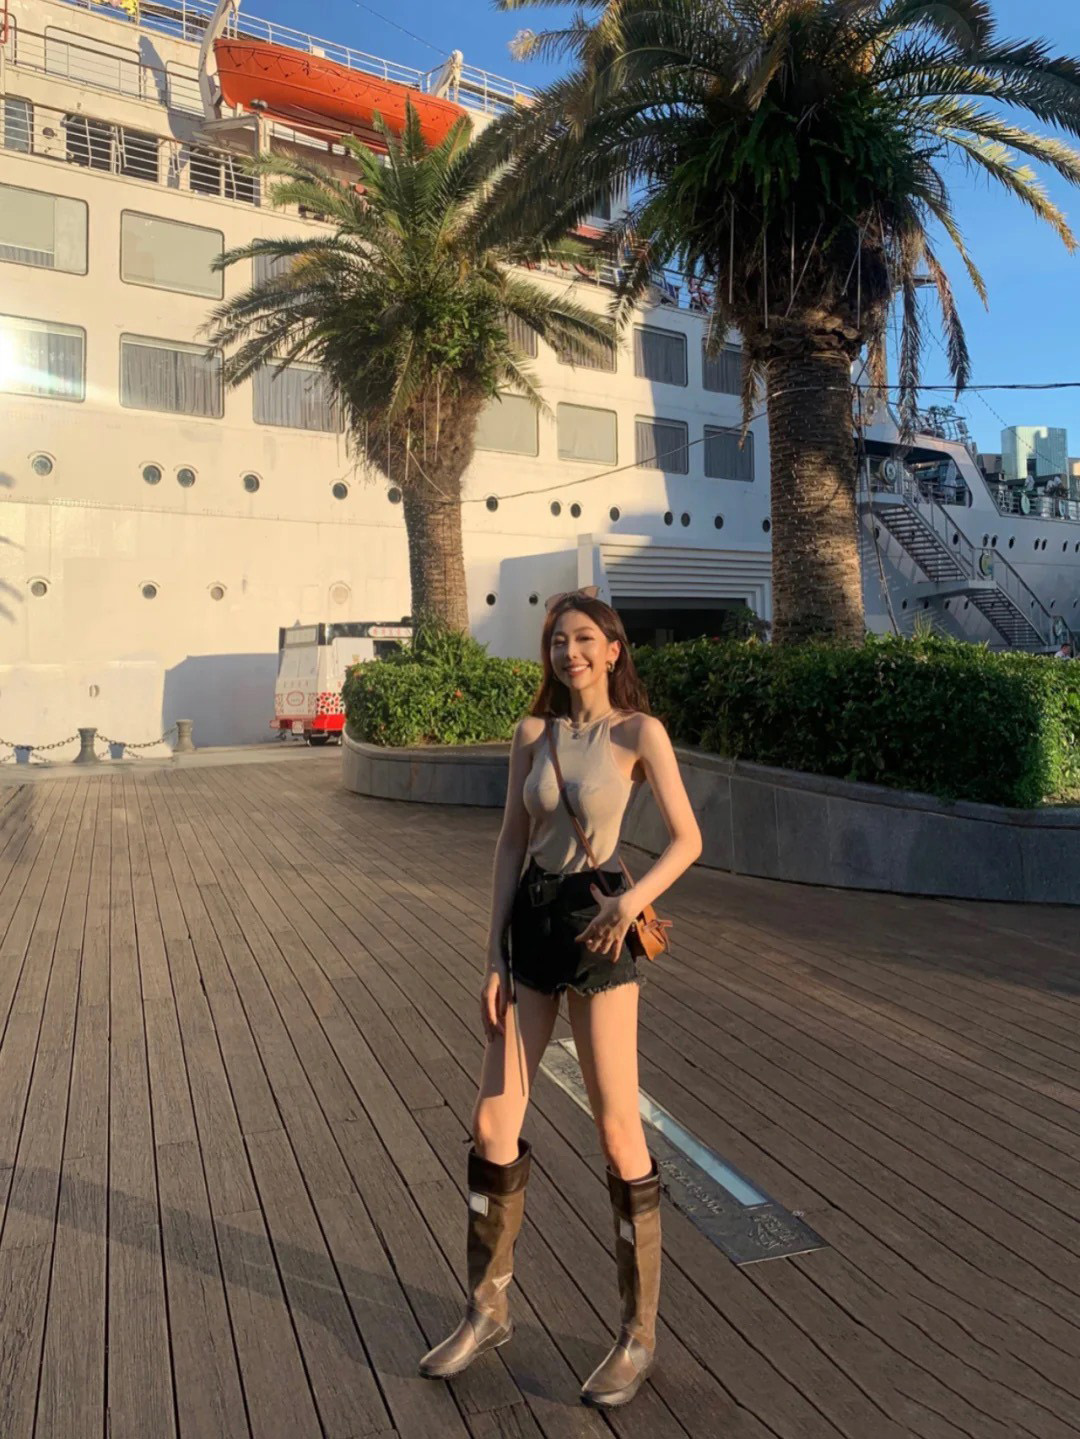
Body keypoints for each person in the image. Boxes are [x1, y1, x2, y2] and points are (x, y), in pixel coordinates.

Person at [418, 588, 702, 1408]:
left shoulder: (639, 733)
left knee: (617, 1131)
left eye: (583, 639)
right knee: (491, 1123)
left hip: (600, 926)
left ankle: (638, 1333)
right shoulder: (531, 734)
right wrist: (492, 954)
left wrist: (630, 899)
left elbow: (688, 837)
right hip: (532, 930)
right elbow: (511, 842)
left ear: (612, 649)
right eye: (556, 641)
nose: (568, 653)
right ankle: (487, 1308)